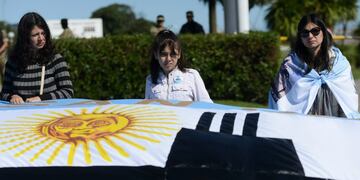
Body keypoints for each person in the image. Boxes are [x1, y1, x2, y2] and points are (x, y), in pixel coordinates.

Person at [269, 13, 358, 118]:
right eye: (305, 33)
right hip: (302, 121)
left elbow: (348, 93)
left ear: (323, 33)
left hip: (335, 117)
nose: (310, 36)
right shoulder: (290, 65)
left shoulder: (340, 63)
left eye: (315, 31)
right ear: (300, 37)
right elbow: (278, 96)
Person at [0, 12, 74, 104]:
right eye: (35, 35)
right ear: (25, 38)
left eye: (43, 33)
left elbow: (68, 92)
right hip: (20, 116)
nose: (41, 38)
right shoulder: (13, 62)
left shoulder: (55, 59)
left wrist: (41, 98)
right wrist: (12, 96)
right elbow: (4, 93)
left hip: (48, 116)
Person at [145, 30, 212, 102]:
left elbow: (207, 106)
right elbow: (147, 110)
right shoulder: (150, 80)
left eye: (173, 54)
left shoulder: (192, 76)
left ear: (179, 54)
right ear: (156, 55)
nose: (168, 59)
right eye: (163, 54)